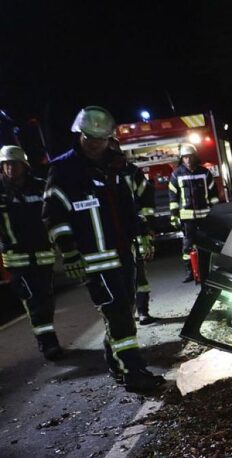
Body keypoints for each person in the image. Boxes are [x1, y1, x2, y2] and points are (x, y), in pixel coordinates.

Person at [41, 106, 165, 392]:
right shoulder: (64, 170)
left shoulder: (120, 166)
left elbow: (143, 195)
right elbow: (53, 216)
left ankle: (116, 363)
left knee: (125, 311)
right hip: (94, 260)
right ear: (79, 134)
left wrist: (145, 229)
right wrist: (69, 252)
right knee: (118, 312)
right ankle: (133, 371)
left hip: (124, 254)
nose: (95, 143)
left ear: (110, 138)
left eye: (101, 138)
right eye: (90, 137)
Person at [0, 145, 62, 359]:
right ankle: (48, 344)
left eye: (14, 164)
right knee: (33, 299)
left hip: (43, 254)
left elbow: (54, 213)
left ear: (24, 165)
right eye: (6, 164)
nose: (10, 168)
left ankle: (48, 337)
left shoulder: (39, 187)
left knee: (46, 298)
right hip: (16, 258)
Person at [109, 138, 157, 324]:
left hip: (134, 231)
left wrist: (146, 228)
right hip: (109, 235)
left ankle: (142, 311)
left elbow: (147, 201)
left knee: (139, 273)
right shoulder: (93, 174)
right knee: (115, 278)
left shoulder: (131, 172)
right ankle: (126, 314)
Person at [167, 143, 218, 282]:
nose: (188, 160)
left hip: (206, 216)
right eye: (185, 157)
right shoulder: (176, 174)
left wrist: (215, 211)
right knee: (188, 246)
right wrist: (174, 216)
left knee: (208, 244)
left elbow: (213, 194)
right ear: (181, 158)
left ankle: (209, 270)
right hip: (187, 217)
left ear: (195, 157)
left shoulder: (205, 173)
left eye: (190, 157)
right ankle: (191, 272)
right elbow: (172, 197)